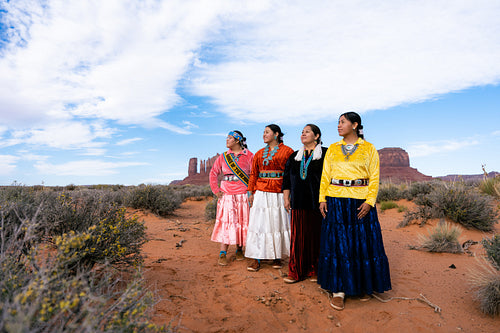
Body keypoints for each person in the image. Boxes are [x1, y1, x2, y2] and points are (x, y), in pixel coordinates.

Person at [318, 112, 391, 311]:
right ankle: (339, 290)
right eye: (338, 122)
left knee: (361, 243)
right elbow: (325, 174)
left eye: (343, 122)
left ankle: (360, 285)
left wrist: (370, 201)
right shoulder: (333, 148)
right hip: (336, 200)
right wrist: (322, 198)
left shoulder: (369, 148)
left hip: (360, 201)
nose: (339, 126)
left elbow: (374, 177)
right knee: (338, 244)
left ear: (355, 124)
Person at [245, 124, 294, 272]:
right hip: (261, 191)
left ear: (276, 134)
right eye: (263, 132)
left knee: (276, 224)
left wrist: (288, 195)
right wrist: (250, 192)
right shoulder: (259, 153)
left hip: (279, 192)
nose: (264, 135)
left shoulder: (288, 151)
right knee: (259, 225)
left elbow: (290, 175)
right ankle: (256, 258)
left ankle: (277, 257)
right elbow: (253, 173)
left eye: (267, 132)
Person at [282, 124, 327, 283]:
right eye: (302, 132)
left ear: (316, 136)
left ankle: (315, 269)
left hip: (319, 204)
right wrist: (287, 198)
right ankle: (296, 271)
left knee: (317, 237)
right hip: (298, 203)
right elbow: (286, 180)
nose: (303, 134)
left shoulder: (326, 154)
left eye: (307, 132)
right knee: (298, 239)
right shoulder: (294, 157)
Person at [209, 130, 254, 266]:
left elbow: (253, 175)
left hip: (243, 194)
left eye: (229, 138)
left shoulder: (249, 156)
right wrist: (216, 190)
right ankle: (223, 252)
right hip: (227, 194)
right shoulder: (223, 157)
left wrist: (252, 192)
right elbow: (213, 173)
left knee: (241, 221)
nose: (227, 140)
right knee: (228, 221)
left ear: (237, 140)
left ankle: (239, 249)